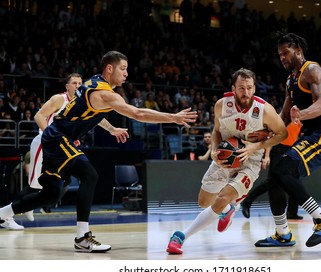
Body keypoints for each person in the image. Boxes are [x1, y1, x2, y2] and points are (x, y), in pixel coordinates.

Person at [0, 51, 197, 253]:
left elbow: (93, 113)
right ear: (109, 68)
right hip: (58, 136)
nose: (127, 74)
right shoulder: (105, 94)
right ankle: (82, 237)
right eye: (123, 68)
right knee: (90, 174)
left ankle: (2, 213)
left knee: (49, 194)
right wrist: (172, 117)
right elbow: (137, 113)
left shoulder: (92, 82)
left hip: (56, 136)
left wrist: (112, 129)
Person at [166, 68, 287, 254]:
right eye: (241, 88)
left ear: (254, 88)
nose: (245, 92)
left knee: (221, 199)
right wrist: (214, 150)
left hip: (250, 161)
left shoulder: (265, 110)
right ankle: (229, 208)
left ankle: (181, 236)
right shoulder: (222, 105)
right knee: (203, 202)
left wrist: (255, 148)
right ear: (233, 88)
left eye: (249, 88)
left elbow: (282, 133)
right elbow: (216, 131)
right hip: (225, 155)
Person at [255, 33, 321, 248]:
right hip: (312, 134)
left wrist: (300, 116)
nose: (282, 58)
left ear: (298, 51)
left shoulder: (312, 70)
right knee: (276, 175)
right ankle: (282, 233)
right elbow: (284, 116)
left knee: (282, 171)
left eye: (285, 53)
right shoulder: (290, 80)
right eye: (279, 55)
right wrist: (266, 131)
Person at [241, 121, 303, 220]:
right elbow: (271, 138)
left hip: (292, 149)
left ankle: (292, 212)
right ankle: (247, 202)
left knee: (295, 179)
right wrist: (267, 156)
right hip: (279, 148)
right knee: (272, 181)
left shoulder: (301, 118)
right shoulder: (283, 118)